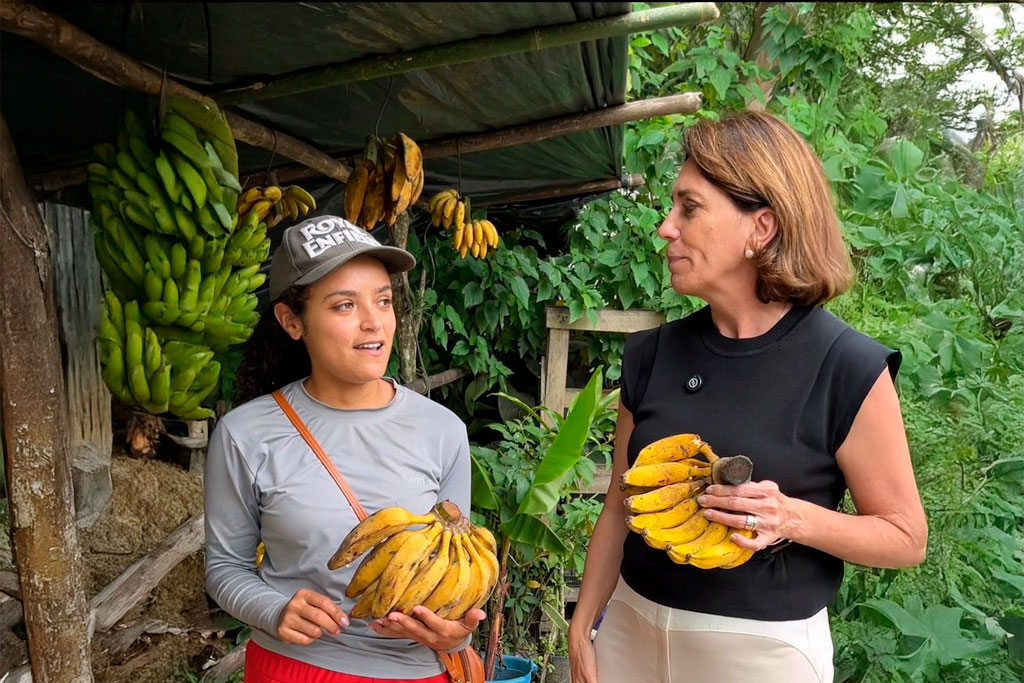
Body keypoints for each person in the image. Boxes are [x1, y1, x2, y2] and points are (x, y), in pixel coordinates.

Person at [568, 111, 928, 683]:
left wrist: (790, 518)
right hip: (629, 633)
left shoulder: (845, 366)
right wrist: (584, 622)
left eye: (689, 208)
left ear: (761, 228)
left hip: (761, 655)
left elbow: (906, 538)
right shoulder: (651, 354)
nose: (665, 228)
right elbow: (619, 504)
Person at [204, 216, 484, 683]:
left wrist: (455, 635)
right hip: (298, 669)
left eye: (383, 300)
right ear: (292, 321)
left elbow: (457, 570)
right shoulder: (245, 434)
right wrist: (274, 610)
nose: (373, 322)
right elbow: (225, 567)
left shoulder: (443, 430)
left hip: (418, 672)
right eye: (344, 305)